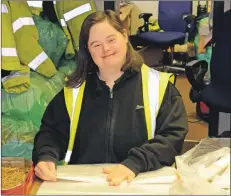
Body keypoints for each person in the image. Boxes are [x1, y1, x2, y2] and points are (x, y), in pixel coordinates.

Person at [32, 10, 188, 186]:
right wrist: (45, 155)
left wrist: (135, 163)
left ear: (125, 35)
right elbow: (50, 132)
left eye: (111, 40)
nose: (105, 49)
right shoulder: (74, 92)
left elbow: (173, 136)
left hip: (141, 181)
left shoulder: (159, 87)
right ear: (87, 50)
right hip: (86, 184)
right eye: (96, 45)